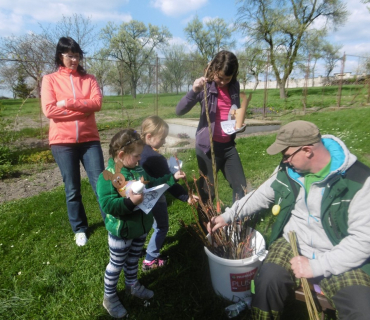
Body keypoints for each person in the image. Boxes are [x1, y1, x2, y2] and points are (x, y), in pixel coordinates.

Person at [208, 120, 370, 319]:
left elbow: (363, 241)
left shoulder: (360, 181)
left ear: (307, 151)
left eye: (286, 155)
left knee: (362, 309)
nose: (284, 161)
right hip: (293, 241)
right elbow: (261, 195)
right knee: (266, 281)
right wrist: (227, 216)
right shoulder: (289, 171)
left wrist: (316, 266)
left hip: (337, 250)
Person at [97, 128, 186, 318]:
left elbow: (152, 182)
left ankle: (132, 285)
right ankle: (109, 296)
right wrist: (130, 202)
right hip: (122, 232)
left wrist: (172, 178)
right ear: (122, 154)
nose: (140, 159)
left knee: (132, 260)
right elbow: (107, 204)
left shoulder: (138, 169)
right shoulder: (109, 176)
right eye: (136, 156)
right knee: (116, 264)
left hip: (141, 228)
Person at [41, 36, 105, 247]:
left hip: (90, 141)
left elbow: (96, 104)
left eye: (77, 56)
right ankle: (79, 228)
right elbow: (50, 110)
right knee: (72, 188)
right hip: (62, 142)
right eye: (70, 56)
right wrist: (81, 111)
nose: (74, 60)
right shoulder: (50, 80)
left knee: (101, 184)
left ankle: (112, 221)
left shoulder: (90, 79)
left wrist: (68, 103)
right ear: (60, 56)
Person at [176, 50, 247, 226]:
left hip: (228, 146)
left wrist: (237, 121)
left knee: (241, 186)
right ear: (213, 69)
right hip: (208, 148)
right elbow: (180, 110)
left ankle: (236, 222)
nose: (222, 82)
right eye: (220, 77)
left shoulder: (234, 87)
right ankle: (208, 227)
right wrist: (194, 91)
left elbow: (234, 110)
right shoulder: (205, 86)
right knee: (209, 191)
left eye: (227, 79)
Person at [139, 115, 199, 271]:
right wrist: (187, 197)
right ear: (149, 136)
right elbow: (168, 185)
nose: (164, 141)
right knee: (161, 226)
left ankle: (136, 249)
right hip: (156, 197)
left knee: (146, 225)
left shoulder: (139, 152)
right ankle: (150, 259)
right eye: (162, 138)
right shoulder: (155, 158)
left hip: (141, 198)